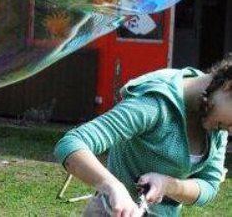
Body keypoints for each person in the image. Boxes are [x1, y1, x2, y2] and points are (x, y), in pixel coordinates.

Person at [54, 58, 231, 217]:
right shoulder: (154, 104)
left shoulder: (214, 117)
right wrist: (113, 187)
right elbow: (72, 143)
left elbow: (209, 185)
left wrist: (168, 185)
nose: (231, 132)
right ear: (229, 86)